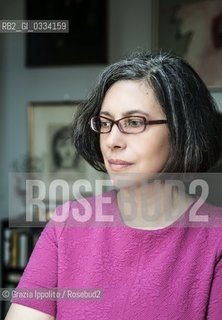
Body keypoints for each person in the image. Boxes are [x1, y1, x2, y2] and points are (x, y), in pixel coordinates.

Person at [5, 50, 222, 319]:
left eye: (133, 122)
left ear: (182, 130)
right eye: (105, 123)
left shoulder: (216, 238)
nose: (112, 140)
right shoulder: (66, 223)